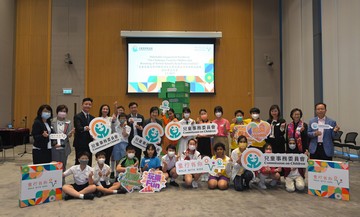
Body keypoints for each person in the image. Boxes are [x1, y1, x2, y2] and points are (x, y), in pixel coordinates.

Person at [51, 105, 74, 172]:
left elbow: (68, 135)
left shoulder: (68, 122)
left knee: (63, 165)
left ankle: (62, 180)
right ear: (57, 112)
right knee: (54, 166)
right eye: (61, 111)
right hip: (54, 147)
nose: (62, 113)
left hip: (64, 147)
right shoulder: (52, 121)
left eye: (64, 111)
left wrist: (70, 134)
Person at [73, 98, 94, 166]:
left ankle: (88, 176)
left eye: (89, 104)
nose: (87, 106)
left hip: (89, 143)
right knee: (79, 161)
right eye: (86, 104)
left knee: (89, 161)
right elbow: (78, 128)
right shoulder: (77, 116)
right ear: (82, 105)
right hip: (80, 143)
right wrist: (85, 128)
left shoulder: (93, 118)